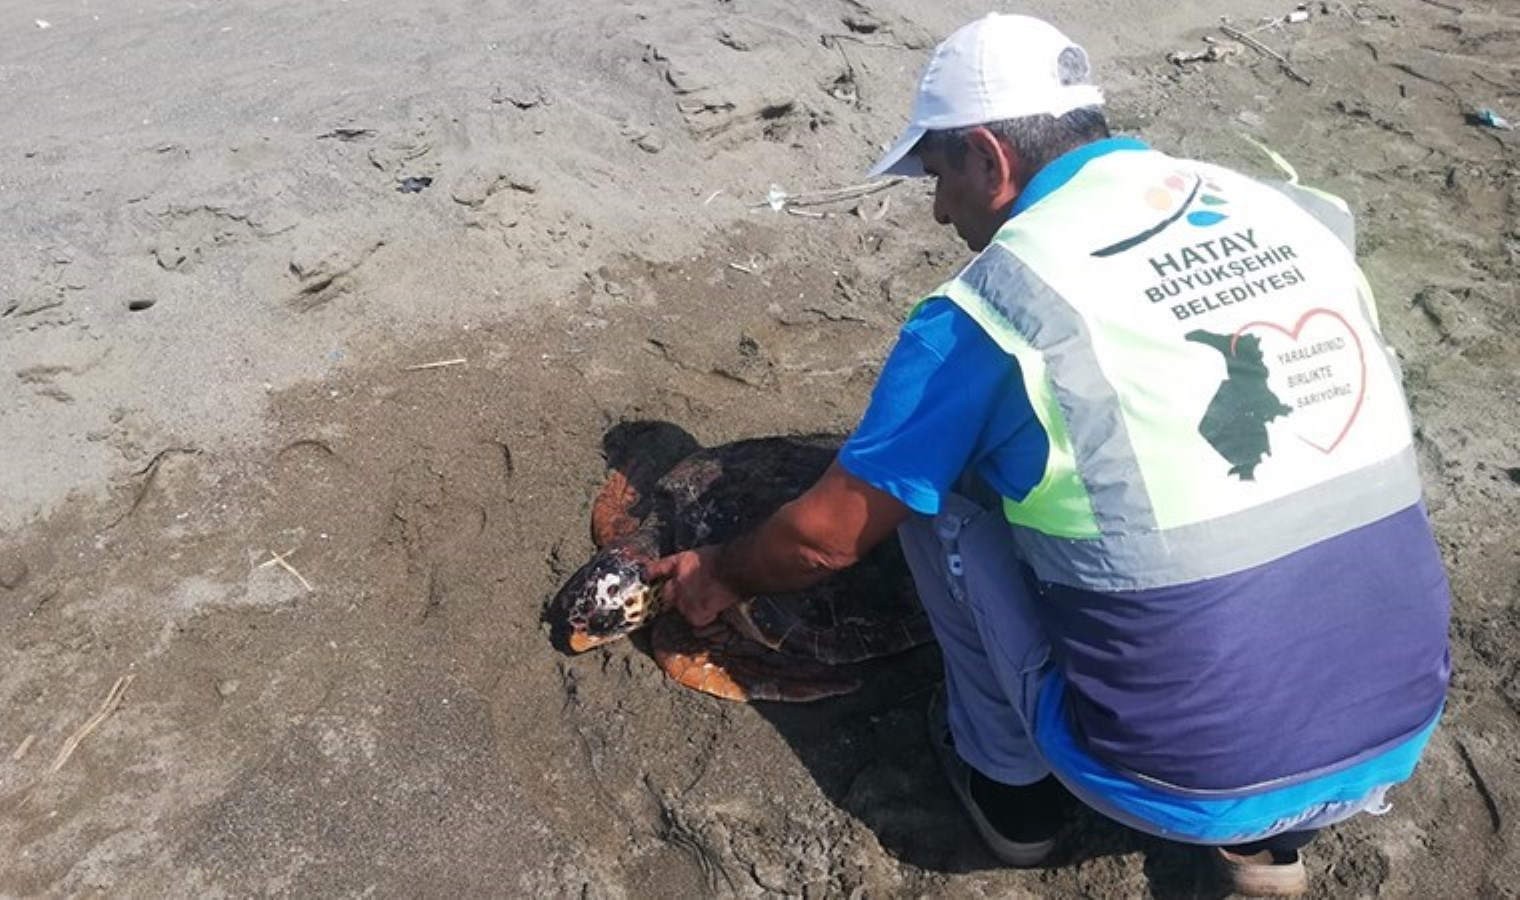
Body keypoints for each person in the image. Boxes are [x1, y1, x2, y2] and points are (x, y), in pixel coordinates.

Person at [647, 12, 1450, 897]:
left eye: (937, 172)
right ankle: (1278, 836)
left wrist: (722, 570)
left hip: (1173, 772)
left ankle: (1009, 793)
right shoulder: (1289, 210)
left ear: (989, 157)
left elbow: (825, 540)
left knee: (928, 488)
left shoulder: (1000, 301)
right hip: (1400, 720)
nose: (939, 205)